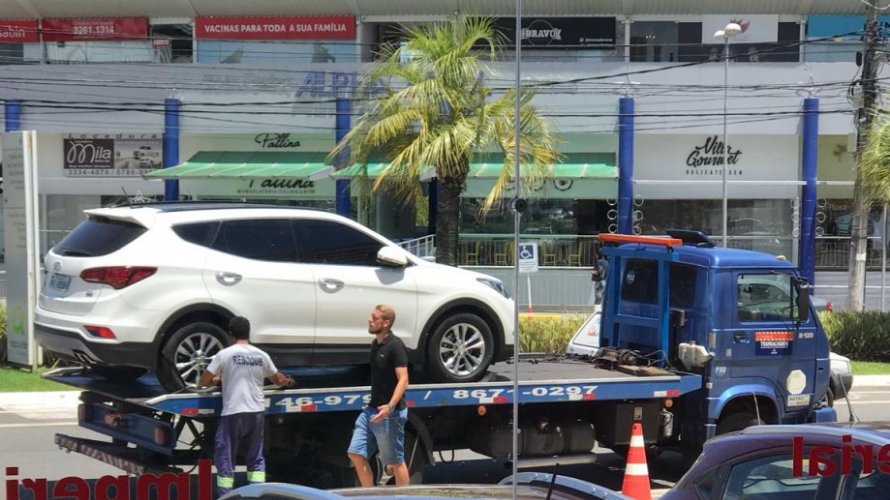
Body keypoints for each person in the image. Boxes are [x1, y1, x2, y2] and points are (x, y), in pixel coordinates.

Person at [199, 316, 294, 497]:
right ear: (248, 333)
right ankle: (256, 494)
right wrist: (287, 381)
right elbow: (278, 380)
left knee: (226, 457)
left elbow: (204, 381)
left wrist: (219, 379)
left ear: (230, 334)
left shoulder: (225, 354)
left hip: (233, 412)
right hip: (256, 412)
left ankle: (225, 496)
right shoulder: (261, 355)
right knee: (256, 458)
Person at [347, 304, 410, 486]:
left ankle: (404, 498)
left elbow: (404, 380)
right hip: (372, 411)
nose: (369, 319)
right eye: (371, 316)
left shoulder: (395, 346)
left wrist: (390, 406)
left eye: (374, 318)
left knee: (395, 462)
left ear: (386, 323)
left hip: (390, 414)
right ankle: (370, 494)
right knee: (355, 453)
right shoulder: (376, 344)